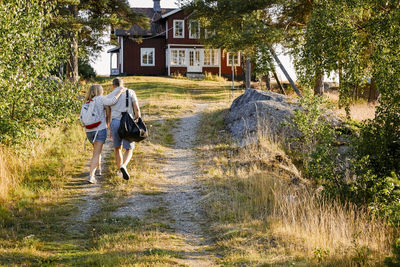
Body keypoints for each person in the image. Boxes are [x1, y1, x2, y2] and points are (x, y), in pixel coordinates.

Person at [83, 84, 126, 184]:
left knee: (96, 151)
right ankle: (91, 176)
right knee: (96, 153)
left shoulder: (87, 102)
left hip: (89, 131)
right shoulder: (100, 99)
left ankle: (99, 169)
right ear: (99, 91)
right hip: (99, 130)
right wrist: (120, 91)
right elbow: (112, 101)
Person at [108, 78, 141, 180]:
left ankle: (119, 171)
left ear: (113, 85)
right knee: (129, 149)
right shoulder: (130, 92)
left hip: (115, 122)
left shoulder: (110, 95)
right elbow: (136, 109)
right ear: (123, 84)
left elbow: (108, 113)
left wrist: (109, 127)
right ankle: (124, 165)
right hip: (127, 123)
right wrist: (137, 121)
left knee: (117, 148)